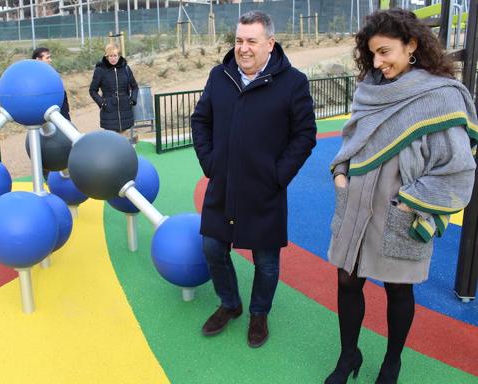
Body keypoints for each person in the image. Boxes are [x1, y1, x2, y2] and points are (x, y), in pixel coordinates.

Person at [325, 9, 477, 384]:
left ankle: (392, 362)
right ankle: (349, 355)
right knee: (346, 280)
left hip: (402, 208)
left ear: (411, 45)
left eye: (385, 52)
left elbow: (458, 167)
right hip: (356, 201)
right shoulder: (370, 89)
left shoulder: (440, 97)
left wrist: (410, 202)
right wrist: (341, 174)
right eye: (372, 53)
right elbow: (351, 139)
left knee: (397, 288)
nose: (378, 62)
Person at [191, 11, 316, 348]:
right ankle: (230, 304)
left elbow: (305, 135)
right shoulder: (220, 76)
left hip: (265, 191)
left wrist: (279, 175)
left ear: (270, 44)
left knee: (266, 260)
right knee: (213, 247)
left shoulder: (293, 82)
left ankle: (259, 313)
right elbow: (200, 121)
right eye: (238, 40)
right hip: (223, 185)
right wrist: (210, 162)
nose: (242, 48)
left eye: (251, 41)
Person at [89, 43, 139, 139]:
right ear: (106, 56)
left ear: (119, 56)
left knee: (126, 144)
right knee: (113, 143)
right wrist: (102, 103)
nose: (113, 58)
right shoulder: (100, 70)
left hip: (126, 111)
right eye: (110, 56)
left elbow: (135, 87)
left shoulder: (126, 68)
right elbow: (92, 90)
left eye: (115, 55)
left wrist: (132, 100)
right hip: (109, 113)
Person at [32, 47, 71, 121]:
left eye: (50, 57)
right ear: (38, 59)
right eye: (47, 58)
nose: (50, 60)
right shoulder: (33, 79)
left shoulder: (52, 74)